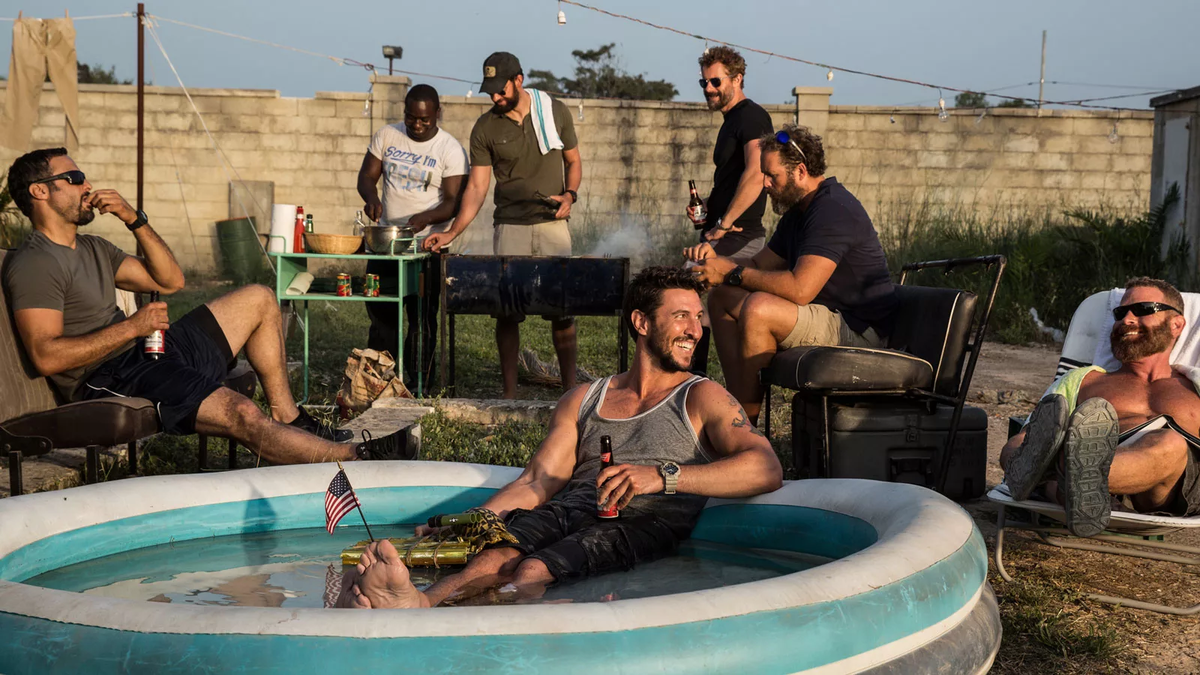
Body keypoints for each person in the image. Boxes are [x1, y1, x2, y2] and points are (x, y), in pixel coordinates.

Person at [335, 266, 783, 609]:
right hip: (573, 505)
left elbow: (766, 467)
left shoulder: (702, 396)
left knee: (533, 568)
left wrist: (661, 476)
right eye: (681, 316)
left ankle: (457, 624)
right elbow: (538, 481)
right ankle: (419, 603)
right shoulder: (585, 399)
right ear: (642, 323)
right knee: (498, 552)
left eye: (698, 318)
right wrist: (471, 521)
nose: (696, 330)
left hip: (644, 519)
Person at [3, 148, 418, 465]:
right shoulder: (37, 263)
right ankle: (358, 458)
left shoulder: (93, 247)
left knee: (259, 298)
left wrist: (134, 219)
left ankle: (288, 418)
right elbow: (46, 356)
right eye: (74, 178)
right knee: (241, 413)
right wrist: (132, 327)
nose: (87, 186)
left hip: (151, 350)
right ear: (40, 191)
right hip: (111, 375)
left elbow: (170, 280)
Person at [686, 125, 898, 424]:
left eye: (772, 175)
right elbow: (759, 263)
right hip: (828, 315)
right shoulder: (799, 210)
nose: (765, 183)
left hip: (858, 330)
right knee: (722, 296)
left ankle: (743, 431)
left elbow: (800, 289)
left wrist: (731, 271)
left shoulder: (832, 210)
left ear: (800, 171)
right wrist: (716, 263)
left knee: (759, 309)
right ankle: (736, 406)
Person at [423, 52, 583, 399]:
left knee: (562, 310)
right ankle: (509, 395)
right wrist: (452, 232)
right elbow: (477, 187)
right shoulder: (485, 128)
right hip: (510, 227)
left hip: (553, 225)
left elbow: (573, 161)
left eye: (501, 89)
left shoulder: (554, 111)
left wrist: (570, 195)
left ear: (518, 80)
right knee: (507, 312)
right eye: (490, 91)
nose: (495, 97)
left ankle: (570, 391)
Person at [1001, 278, 1200, 537]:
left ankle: (1063, 479)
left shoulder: (1194, 385)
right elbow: (1028, 439)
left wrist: (1055, 468)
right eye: (1120, 313)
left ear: (1176, 324)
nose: (1126, 319)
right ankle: (1077, 487)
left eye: (1142, 309)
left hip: (1165, 491)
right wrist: (1014, 456)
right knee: (1029, 445)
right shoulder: (1083, 380)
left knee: (1170, 442)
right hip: (1090, 490)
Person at [357, 84, 468, 392]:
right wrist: (370, 197)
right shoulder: (387, 135)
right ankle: (380, 383)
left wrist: (425, 219)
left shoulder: (450, 149)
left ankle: (420, 385)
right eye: (411, 117)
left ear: (437, 114)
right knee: (382, 316)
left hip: (427, 246)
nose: (417, 125)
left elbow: (453, 202)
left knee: (422, 319)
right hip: (386, 245)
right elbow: (367, 176)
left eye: (424, 119)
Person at [686, 46, 774, 375]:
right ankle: (693, 380)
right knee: (696, 301)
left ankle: (694, 380)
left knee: (691, 294)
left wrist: (723, 224)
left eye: (715, 81)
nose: (708, 88)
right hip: (721, 231)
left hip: (739, 234)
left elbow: (756, 174)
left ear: (737, 79)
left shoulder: (751, 117)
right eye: (704, 82)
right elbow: (732, 180)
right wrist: (708, 207)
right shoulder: (731, 120)